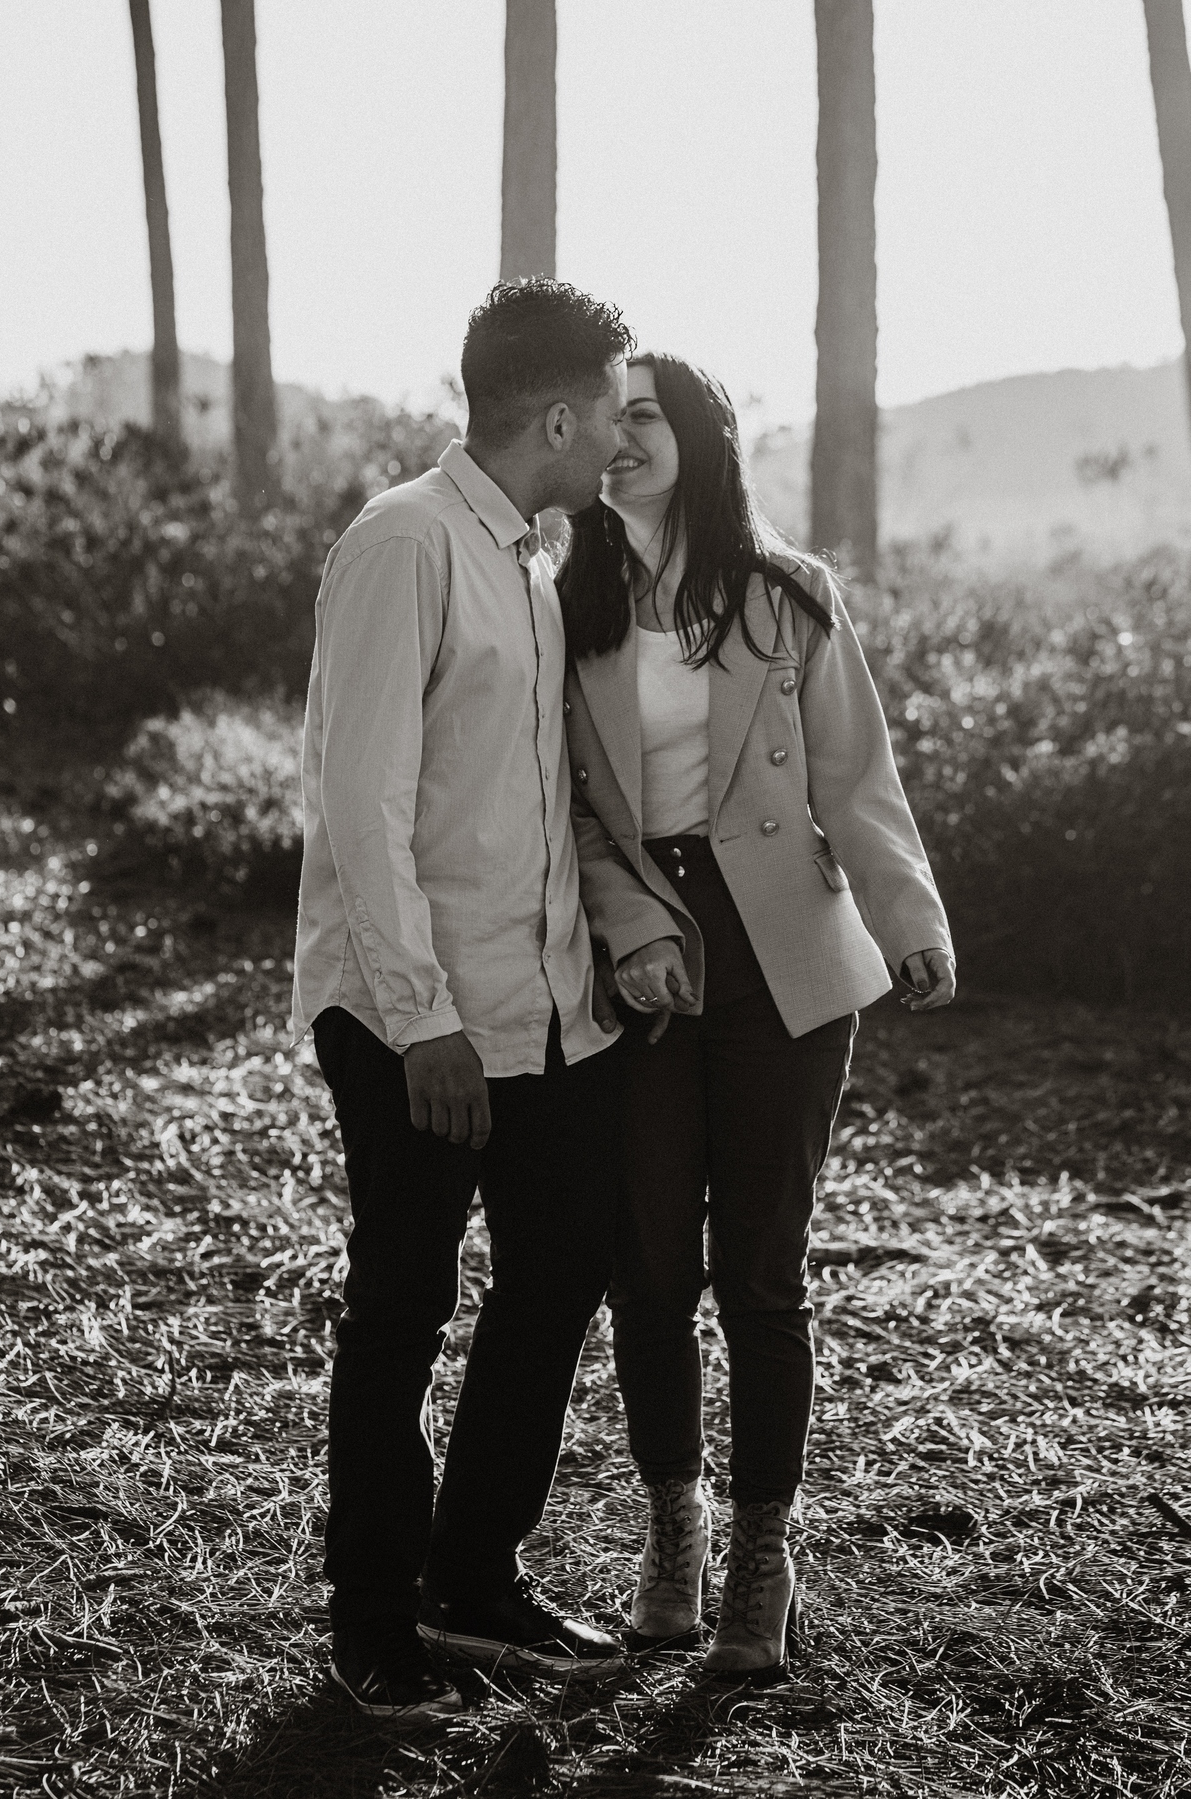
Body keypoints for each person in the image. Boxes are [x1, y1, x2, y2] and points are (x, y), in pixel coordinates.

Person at [291, 281, 672, 1722]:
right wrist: (422, 1017)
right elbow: (358, 799)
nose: (624, 441)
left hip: (549, 1011)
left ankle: (472, 1579)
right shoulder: (402, 543)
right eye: (614, 412)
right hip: (417, 1018)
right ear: (557, 415)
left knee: (559, 1272)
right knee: (401, 1305)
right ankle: (374, 1623)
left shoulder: (528, 557)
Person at [556, 352, 955, 1685]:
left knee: (761, 1271)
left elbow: (858, 778)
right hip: (650, 957)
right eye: (610, 421)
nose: (620, 439)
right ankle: (674, 1540)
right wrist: (636, 934)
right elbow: (579, 818)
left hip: (784, 948)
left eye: (646, 418)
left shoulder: (788, 599)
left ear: (704, 438)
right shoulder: (569, 607)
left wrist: (913, 928)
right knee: (651, 1267)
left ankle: (762, 1563)